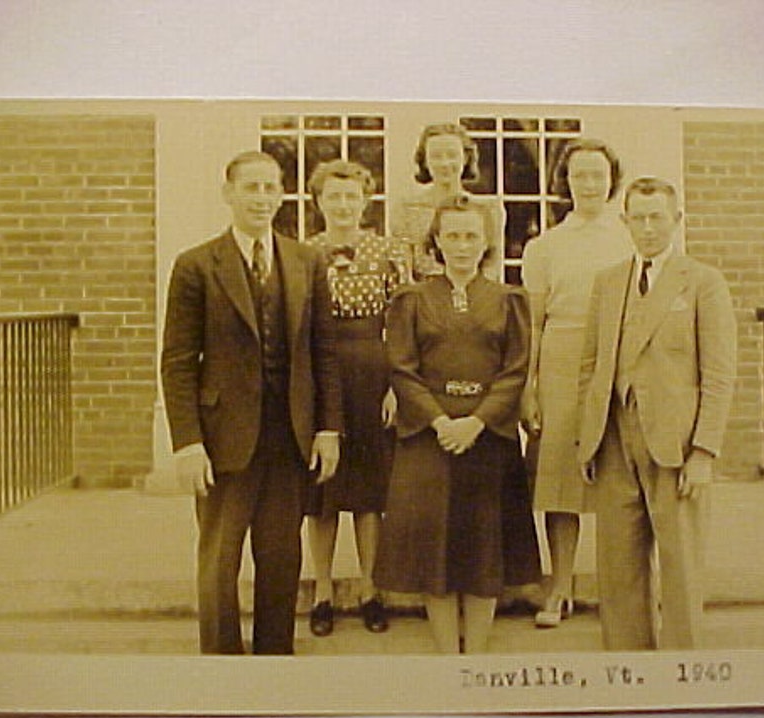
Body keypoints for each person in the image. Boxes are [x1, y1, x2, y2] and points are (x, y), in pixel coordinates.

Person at [161, 150, 343, 655]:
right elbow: (177, 361)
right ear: (229, 194)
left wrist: (328, 429)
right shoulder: (197, 265)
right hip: (223, 439)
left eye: (270, 188)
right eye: (251, 188)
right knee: (219, 560)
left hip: (289, 436)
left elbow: (324, 352)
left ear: (281, 195)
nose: (261, 198)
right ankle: (223, 666)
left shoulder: (307, 261)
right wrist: (188, 443)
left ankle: (273, 662)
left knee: (282, 557)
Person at [575, 176, 736, 650]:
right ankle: (629, 664)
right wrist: (588, 437)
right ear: (625, 221)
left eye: (657, 218)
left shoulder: (702, 282)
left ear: (676, 220)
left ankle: (682, 666)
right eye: (638, 218)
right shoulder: (608, 282)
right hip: (613, 437)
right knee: (618, 565)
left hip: (675, 443)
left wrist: (704, 451)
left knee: (681, 564)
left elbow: (719, 374)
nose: (648, 228)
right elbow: (590, 366)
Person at [375, 194, 539, 654]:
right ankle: (449, 657)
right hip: (429, 438)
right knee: (436, 549)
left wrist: (478, 422)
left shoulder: (509, 300)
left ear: (486, 242)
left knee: (484, 548)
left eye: (471, 236)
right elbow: (402, 369)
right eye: (452, 236)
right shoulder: (411, 299)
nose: (462, 245)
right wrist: (440, 421)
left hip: (488, 437)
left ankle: (477, 658)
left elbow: (515, 371)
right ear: (437, 242)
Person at [520, 138, 633, 628]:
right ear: (564, 182)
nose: (589, 184)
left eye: (597, 174)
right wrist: (528, 387)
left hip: (618, 357)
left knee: (620, 476)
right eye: (579, 175)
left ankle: (623, 589)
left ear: (612, 180)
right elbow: (534, 323)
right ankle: (560, 587)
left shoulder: (629, 238)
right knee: (560, 478)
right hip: (561, 361)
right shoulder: (545, 246)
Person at [302, 160, 410, 637]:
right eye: (334, 197)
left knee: (369, 492)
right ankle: (322, 591)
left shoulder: (388, 251)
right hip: (322, 371)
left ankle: (370, 589)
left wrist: (396, 385)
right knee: (322, 493)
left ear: (366, 202)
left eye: (351, 197)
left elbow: (403, 321)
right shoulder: (304, 253)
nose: (343, 205)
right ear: (319, 202)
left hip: (373, 369)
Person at [392, 122, 505, 282]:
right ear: (425, 161)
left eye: (452, 155)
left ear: (465, 158)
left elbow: (492, 268)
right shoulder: (407, 209)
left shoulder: (488, 209)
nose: (444, 163)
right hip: (423, 294)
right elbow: (403, 271)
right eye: (436, 156)